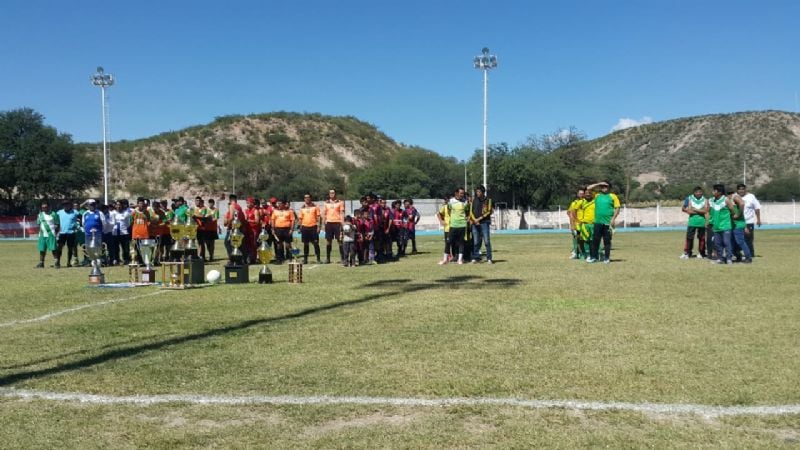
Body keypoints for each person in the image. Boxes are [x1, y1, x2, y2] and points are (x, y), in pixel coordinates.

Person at [586, 182, 620, 264]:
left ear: (609, 188)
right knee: (595, 240)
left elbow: (617, 208)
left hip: (607, 223)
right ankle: (594, 257)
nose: (604, 188)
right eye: (602, 186)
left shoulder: (613, 196)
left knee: (607, 241)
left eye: (606, 186)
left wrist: (613, 219)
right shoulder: (597, 195)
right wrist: (599, 183)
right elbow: (588, 188)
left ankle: (606, 258)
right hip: (597, 222)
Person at [709, 184, 735, 265]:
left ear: (719, 192)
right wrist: (710, 222)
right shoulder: (711, 200)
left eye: (714, 190)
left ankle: (729, 258)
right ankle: (720, 258)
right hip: (716, 226)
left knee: (726, 242)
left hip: (725, 226)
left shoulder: (726, 200)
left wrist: (727, 219)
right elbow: (710, 212)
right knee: (717, 243)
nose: (712, 192)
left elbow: (732, 211)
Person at [681, 186, 709, 259]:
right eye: (697, 192)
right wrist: (691, 211)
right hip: (692, 222)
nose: (699, 193)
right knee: (689, 238)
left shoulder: (705, 200)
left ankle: (702, 253)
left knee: (702, 238)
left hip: (702, 222)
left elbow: (705, 211)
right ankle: (687, 253)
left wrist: (694, 210)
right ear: (694, 193)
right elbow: (684, 209)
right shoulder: (689, 198)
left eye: (700, 192)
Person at [470, 184, 494, 264]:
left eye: (479, 191)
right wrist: (474, 220)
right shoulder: (474, 200)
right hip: (475, 223)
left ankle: (489, 258)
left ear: (483, 192)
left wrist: (479, 219)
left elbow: (489, 211)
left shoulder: (488, 200)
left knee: (486, 241)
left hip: (484, 223)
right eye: (477, 192)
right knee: (476, 241)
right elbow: (471, 211)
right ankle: (475, 257)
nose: (477, 193)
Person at [736, 184, 761, 257]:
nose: (741, 191)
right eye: (739, 189)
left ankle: (750, 255)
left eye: (742, 189)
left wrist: (758, 219)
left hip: (748, 221)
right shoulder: (735, 197)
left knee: (748, 239)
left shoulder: (751, 197)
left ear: (745, 189)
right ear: (737, 190)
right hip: (738, 222)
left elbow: (757, 208)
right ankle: (738, 254)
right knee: (737, 239)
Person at [446, 187, 469, 265]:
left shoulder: (465, 202)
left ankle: (460, 260)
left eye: (463, 193)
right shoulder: (451, 201)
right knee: (449, 241)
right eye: (461, 193)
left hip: (462, 225)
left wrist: (466, 218)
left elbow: (467, 211)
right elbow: (449, 210)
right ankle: (445, 259)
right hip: (453, 225)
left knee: (461, 242)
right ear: (456, 193)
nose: (462, 194)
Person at [322, 189, 345, 264]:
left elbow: (342, 213)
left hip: (338, 223)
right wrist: (323, 223)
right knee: (328, 242)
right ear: (329, 194)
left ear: (336, 194)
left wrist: (343, 223)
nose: (332, 194)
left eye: (333, 193)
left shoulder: (340, 202)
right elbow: (324, 214)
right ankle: (328, 259)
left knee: (340, 241)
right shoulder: (326, 203)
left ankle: (343, 258)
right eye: (330, 193)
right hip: (329, 223)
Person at [298, 193, 322, 264]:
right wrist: (300, 227)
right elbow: (300, 219)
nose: (307, 199)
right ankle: (305, 259)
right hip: (305, 228)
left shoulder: (315, 207)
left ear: (310, 198)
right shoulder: (302, 208)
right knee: (306, 244)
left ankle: (318, 259)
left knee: (315, 243)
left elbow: (318, 217)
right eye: (305, 197)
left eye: (308, 197)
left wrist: (319, 226)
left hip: (313, 227)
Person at [730, 191, 753, 263]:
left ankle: (748, 257)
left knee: (740, 242)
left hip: (738, 225)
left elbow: (742, 204)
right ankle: (738, 256)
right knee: (733, 242)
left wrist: (738, 215)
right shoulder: (731, 198)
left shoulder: (734, 197)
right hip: (733, 225)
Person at [55, 200, 79, 268]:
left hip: (71, 233)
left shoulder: (75, 212)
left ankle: (68, 262)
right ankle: (58, 262)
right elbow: (56, 220)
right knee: (59, 247)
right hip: (62, 233)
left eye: (67, 204)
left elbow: (80, 218)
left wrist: (77, 226)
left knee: (70, 248)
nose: (66, 206)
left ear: (70, 205)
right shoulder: (59, 212)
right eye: (64, 205)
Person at [270, 199, 295, 263]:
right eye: (278, 203)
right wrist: (272, 229)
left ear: (284, 204)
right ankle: (279, 259)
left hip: (287, 229)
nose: (279, 205)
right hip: (278, 229)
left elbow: (292, 221)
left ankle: (290, 258)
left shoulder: (289, 211)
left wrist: (291, 229)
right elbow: (272, 220)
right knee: (279, 244)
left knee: (288, 245)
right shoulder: (275, 211)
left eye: (280, 203)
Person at [35, 202, 59, 268]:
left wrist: (56, 233)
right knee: (42, 249)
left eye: (45, 207)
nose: (44, 208)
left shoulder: (53, 214)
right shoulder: (40, 215)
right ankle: (41, 263)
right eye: (43, 207)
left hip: (51, 234)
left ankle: (56, 262)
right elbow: (39, 224)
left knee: (53, 249)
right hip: (42, 235)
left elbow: (57, 224)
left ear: (48, 207)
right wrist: (40, 233)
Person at [82, 199, 105, 263]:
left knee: (97, 247)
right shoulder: (85, 213)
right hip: (88, 234)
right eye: (90, 205)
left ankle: (98, 259)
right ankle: (92, 259)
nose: (91, 206)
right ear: (88, 205)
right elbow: (83, 223)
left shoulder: (99, 213)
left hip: (97, 233)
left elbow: (104, 223)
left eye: (93, 204)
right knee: (89, 247)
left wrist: (100, 231)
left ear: (95, 205)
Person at [111, 200, 133, 265]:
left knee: (126, 248)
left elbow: (128, 223)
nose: (118, 206)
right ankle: (116, 260)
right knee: (115, 248)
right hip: (115, 233)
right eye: (117, 205)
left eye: (120, 205)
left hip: (124, 233)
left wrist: (124, 228)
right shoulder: (113, 213)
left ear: (122, 206)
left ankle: (126, 259)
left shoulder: (126, 213)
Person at [131, 198, 151, 264]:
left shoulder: (147, 212)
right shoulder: (133, 212)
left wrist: (146, 226)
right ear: (137, 204)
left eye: (142, 203)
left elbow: (149, 221)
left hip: (145, 234)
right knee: (136, 249)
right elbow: (130, 222)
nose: (141, 205)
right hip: (136, 234)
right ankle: (138, 261)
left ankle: (145, 261)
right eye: (140, 203)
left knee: (144, 249)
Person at [567, 189, 585, 259]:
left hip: (585, 224)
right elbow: (569, 213)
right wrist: (572, 225)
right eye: (580, 193)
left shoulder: (587, 202)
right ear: (577, 194)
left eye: (582, 193)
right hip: (577, 225)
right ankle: (575, 252)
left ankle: (585, 253)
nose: (581, 195)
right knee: (576, 240)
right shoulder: (574, 203)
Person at [436, 194, 453, 264]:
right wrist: (441, 221)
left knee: (456, 243)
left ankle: (455, 256)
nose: (447, 201)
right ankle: (446, 258)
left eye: (447, 200)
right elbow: (438, 214)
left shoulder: (455, 206)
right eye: (446, 200)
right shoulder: (445, 207)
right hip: (447, 228)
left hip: (456, 227)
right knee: (448, 243)